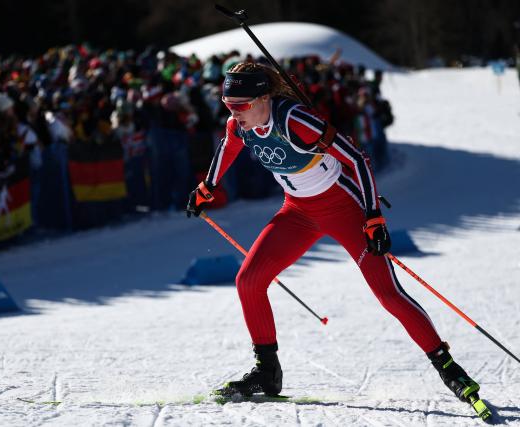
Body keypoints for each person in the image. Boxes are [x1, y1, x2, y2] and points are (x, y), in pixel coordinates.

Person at [186, 63, 480, 406]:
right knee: (248, 280)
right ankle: (267, 371)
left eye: (241, 105)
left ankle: (449, 369)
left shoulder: (294, 120)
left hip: (345, 210)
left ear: (264, 97)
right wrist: (208, 186)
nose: (235, 113)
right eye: (227, 104)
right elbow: (228, 147)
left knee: (388, 294)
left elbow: (356, 159)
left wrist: (373, 217)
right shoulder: (240, 125)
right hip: (297, 212)